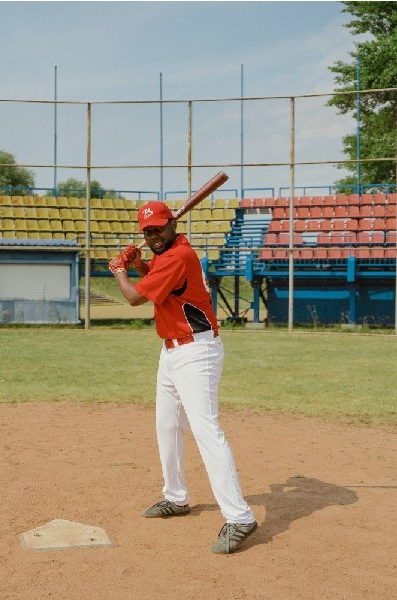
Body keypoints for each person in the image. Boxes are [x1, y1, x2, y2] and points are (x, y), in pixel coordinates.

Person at [108, 200, 257, 554]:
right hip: (172, 350)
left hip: (196, 352)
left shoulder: (178, 256)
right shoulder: (169, 253)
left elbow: (133, 299)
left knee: (207, 431)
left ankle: (240, 517)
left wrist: (119, 270)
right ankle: (176, 497)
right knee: (168, 426)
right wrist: (139, 262)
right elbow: (161, 281)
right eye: (147, 232)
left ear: (172, 225)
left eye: (158, 228)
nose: (153, 235)